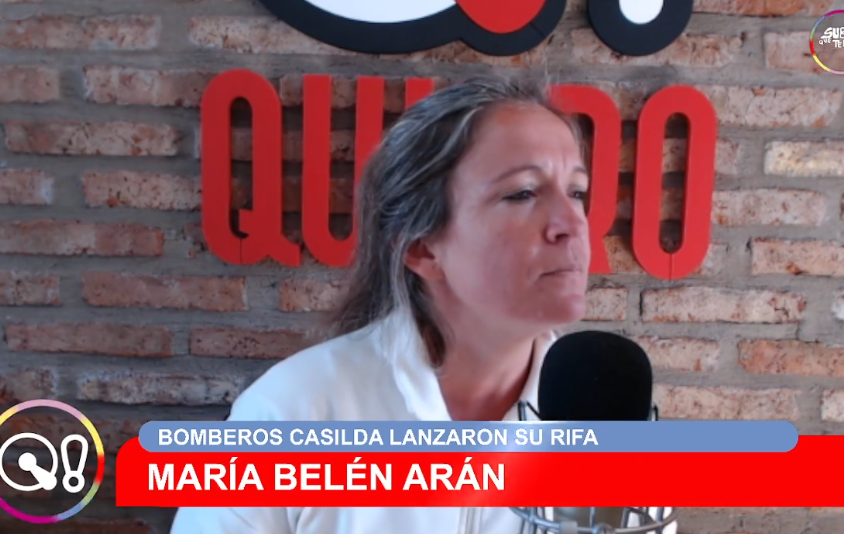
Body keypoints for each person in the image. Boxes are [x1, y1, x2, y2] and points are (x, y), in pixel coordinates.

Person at [170, 75, 628, 534]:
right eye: (522, 193)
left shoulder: (609, 424)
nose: (573, 224)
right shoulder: (291, 413)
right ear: (422, 249)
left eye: (577, 193)